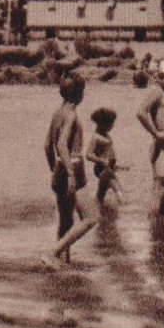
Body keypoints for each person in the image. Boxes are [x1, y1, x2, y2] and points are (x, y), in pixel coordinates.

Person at [45, 72, 95, 263]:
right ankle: (53, 253)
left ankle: (61, 266)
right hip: (72, 166)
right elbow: (61, 145)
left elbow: (47, 145)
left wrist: (54, 168)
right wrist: (71, 175)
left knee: (66, 223)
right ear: (80, 94)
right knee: (90, 218)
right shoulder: (71, 115)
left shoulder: (57, 113)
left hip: (59, 168)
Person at [137, 58, 164, 218]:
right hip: (162, 142)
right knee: (160, 184)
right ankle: (154, 223)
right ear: (160, 78)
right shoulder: (157, 92)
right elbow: (140, 112)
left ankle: (161, 223)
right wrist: (155, 133)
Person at [87, 106, 125, 209]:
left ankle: (100, 215)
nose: (113, 125)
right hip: (103, 169)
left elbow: (108, 153)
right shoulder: (96, 137)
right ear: (103, 124)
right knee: (119, 191)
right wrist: (102, 161)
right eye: (111, 123)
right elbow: (88, 154)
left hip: (109, 167)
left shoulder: (106, 135)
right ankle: (125, 211)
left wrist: (117, 166)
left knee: (100, 195)